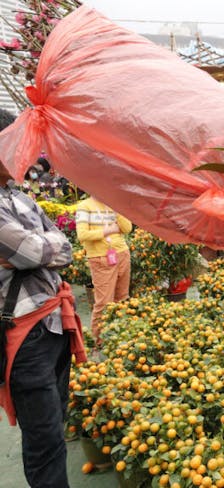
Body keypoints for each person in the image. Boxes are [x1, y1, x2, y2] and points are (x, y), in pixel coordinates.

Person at [0, 107, 85, 487]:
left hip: (51, 325)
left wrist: (35, 250)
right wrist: (38, 250)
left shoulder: (18, 198)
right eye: (15, 145)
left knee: (56, 423)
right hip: (22, 335)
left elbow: (63, 246)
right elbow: (33, 253)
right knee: (45, 439)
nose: (24, 154)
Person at [75, 196, 132, 343]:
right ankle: (99, 342)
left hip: (122, 254)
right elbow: (82, 235)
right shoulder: (85, 206)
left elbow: (127, 228)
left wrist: (116, 208)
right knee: (103, 303)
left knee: (122, 298)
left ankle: (121, 336)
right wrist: (107, 231)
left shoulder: (114, 202)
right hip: (101, 258)